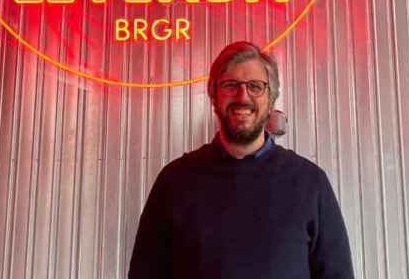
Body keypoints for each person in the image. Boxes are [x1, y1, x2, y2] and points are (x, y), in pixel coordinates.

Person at [128, 41, 354, 278]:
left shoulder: (310, 183)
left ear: (271, 99)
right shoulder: (174, 182)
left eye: (255, 86)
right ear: (214, 96)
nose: (242, 96)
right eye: (230, 85)